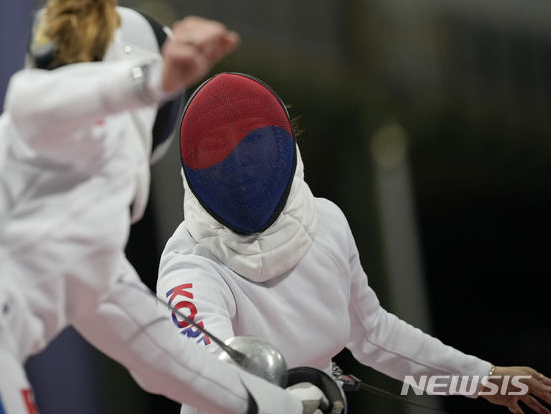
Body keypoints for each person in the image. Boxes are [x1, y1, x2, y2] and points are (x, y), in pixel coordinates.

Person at [0, 0, 321, 414]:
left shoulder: (95, 246)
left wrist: (281, 406)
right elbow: (32, 98)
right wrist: (154, 80)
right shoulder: (52, 133)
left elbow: (163, 356)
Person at [156, 72, 551, 414]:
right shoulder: (190, 265)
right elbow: (208, 372)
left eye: (252, 139)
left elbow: (373, 334)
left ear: (282, 140)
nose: (239, 160)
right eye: (216, 146)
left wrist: (481, 378)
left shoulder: (325, 223)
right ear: (193, 165)